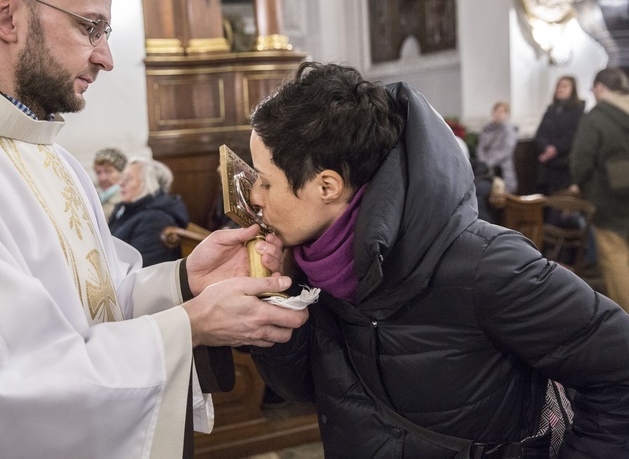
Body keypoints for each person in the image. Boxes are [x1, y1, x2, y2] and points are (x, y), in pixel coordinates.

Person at [0, 0, 308, 457]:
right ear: (4, 14)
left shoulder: (51, 155)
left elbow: (91, 311)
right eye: (90, 27)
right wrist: (188, 325)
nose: (105, 57)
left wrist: (185, 281)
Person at [246, 62, 629, 458]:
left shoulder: (487, 265)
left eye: (265, 181)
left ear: (327, 186)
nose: (255, 196)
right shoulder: (313, 261)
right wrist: (277, 296)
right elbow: (305, 388)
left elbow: (620, 374)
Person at [571, 66, 629, 313]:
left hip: (612, 196)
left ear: (599, 87)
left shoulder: (596, 117)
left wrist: (588, 188)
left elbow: (580, 162)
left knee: (615, 258)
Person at [109, 157, 190, 266]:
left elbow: (142, 268)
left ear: (148, 183)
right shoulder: (127, 209)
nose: (120, 183)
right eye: (122, 178)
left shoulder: (155, 220)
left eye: (128, 178)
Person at [535, 76, 585, 195]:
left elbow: (574, 135)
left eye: (564, 86)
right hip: (547, 163)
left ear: (573, 90)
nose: (560, 89)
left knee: (560, 202)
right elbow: (540, 132)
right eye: (558, 86)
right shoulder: (551, 110)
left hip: (564, 164)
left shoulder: (578, 111)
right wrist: (546, 147)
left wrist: (555, 148)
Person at [476, 101, 519, 193]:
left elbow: (506, 150)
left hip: (502, 168)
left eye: (502, 112)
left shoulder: (509, 130)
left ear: (506, 114)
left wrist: (490, 162)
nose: (499, 114)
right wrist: (484, 162)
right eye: (497, 111)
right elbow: (481, 147)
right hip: (486, 168)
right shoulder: (487, 129)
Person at [93, 146, 127, 220]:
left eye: (108, 171)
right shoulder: (95, 201)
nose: (103, 178)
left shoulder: (125, 203)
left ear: (122, 173)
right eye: (98, 172)